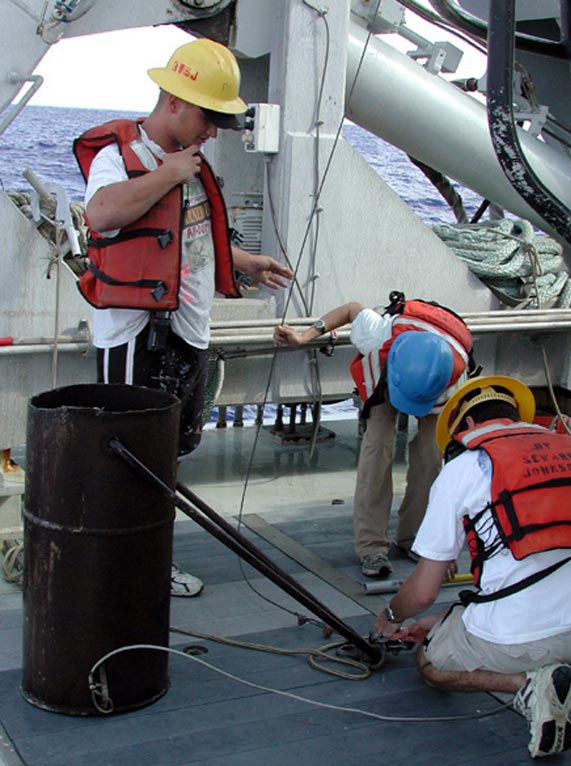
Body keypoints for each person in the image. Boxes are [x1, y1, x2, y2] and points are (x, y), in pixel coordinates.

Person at [74, 38, 293, 597]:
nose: (213, 131)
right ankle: (126, 569)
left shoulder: (189, 165)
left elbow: (187, 240)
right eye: (207, 116)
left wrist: (244, 262)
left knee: (167, 452)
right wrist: (170, 173)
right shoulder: (125, 158)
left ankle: (146, 557)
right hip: (139, 338)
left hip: (186, 334)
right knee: (130, 455)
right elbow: (101, 215)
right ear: (174, 100)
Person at [374, 375, 571, 759]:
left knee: (430, 661)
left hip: (520, 638)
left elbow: (424, 591)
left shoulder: (465, 466)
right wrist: (446, 618)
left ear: (468, 426)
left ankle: (527, 686)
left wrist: (390, 615)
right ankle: (545, 668)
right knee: (488, 616)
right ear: (513, 416)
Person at [273, 292, 474, 577]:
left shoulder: (455, 377)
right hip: (391, 372)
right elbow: (350, 308)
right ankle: (371, 547)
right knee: (376, 447)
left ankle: (413, 538)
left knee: (431, 457)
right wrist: (305, 336)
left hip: (434, 377)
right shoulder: (378, 335)